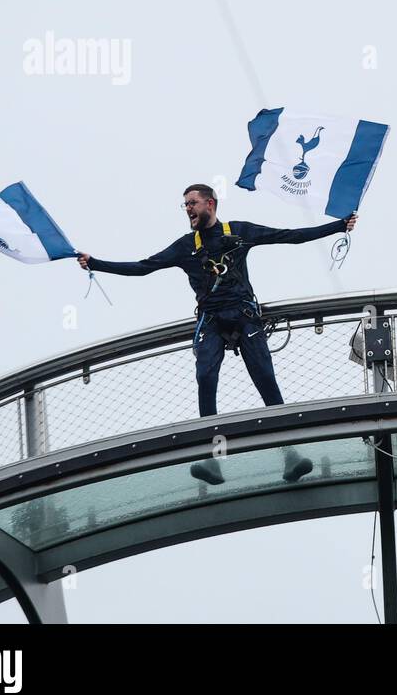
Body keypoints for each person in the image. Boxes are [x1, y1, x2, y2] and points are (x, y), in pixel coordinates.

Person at [78, 183, 357, 484]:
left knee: (266, 381)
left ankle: (291, 455)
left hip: (244, 316)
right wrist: (96, 264)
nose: (188, 209)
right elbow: (143, 267)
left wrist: (339, 226)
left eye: (192, 203)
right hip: (212, 321)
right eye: (185, 205)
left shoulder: (238, 231)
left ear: (210, 204)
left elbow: (288, 236)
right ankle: (213, 460)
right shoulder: (186, 247)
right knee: (205, 378)